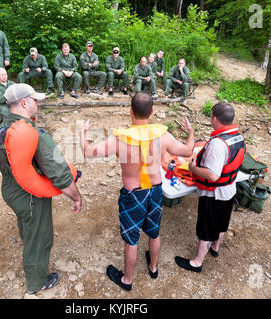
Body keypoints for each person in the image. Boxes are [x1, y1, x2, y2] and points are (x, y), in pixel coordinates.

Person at [80, 92, 195, 291]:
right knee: (154, 233)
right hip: (156, 190)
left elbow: (88, 152)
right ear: (151, 112)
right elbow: (187, 151)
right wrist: (191, 132)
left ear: (130, 111)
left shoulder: (120, 139)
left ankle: (127, 280)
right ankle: (153, 267)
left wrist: (82, 133)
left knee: (132, 240)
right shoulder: (163, 136)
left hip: (134, 194)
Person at [0, 83, 82, 297]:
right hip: (31, 198)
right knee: (40, 238)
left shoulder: (1, 131)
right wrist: (76, 197)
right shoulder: (36, 136)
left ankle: (25, 236)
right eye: (35, 100)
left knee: (26, 223)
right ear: (23, 103)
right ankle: (36, 283)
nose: (38, 103)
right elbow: (60, 174)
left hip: (10, 192)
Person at [175, 102, 246, 273]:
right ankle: (215, 248)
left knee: (207, 227)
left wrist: (193, 168)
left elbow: (213, 175)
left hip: (214, 193)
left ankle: (197, 262)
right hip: (229, 190)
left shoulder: (217, 144)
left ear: (214, 118)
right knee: (221, 223)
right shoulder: (238, 136)